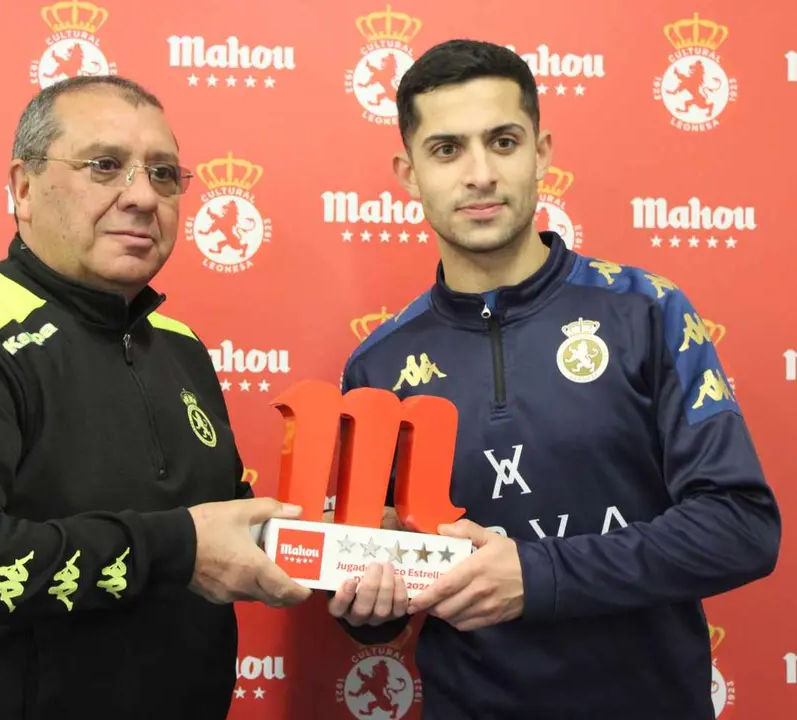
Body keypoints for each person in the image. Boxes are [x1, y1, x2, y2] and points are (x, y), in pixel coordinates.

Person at [328, 39, 781, 719]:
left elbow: (741, 529)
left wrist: (537, 575)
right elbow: (377, 614)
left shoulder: (646, 313)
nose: (478, 174)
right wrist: (366, 602)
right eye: (446, 149)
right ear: (408, 172)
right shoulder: (377, 365)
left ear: (540, 153)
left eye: (502, 142)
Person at [0, 74, 311, 720]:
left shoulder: (180, 346)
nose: (141, 195)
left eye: (164, 174)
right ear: (23, 189)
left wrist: (342, 548)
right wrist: (179, 547)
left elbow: (220, 529)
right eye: (104, 166)